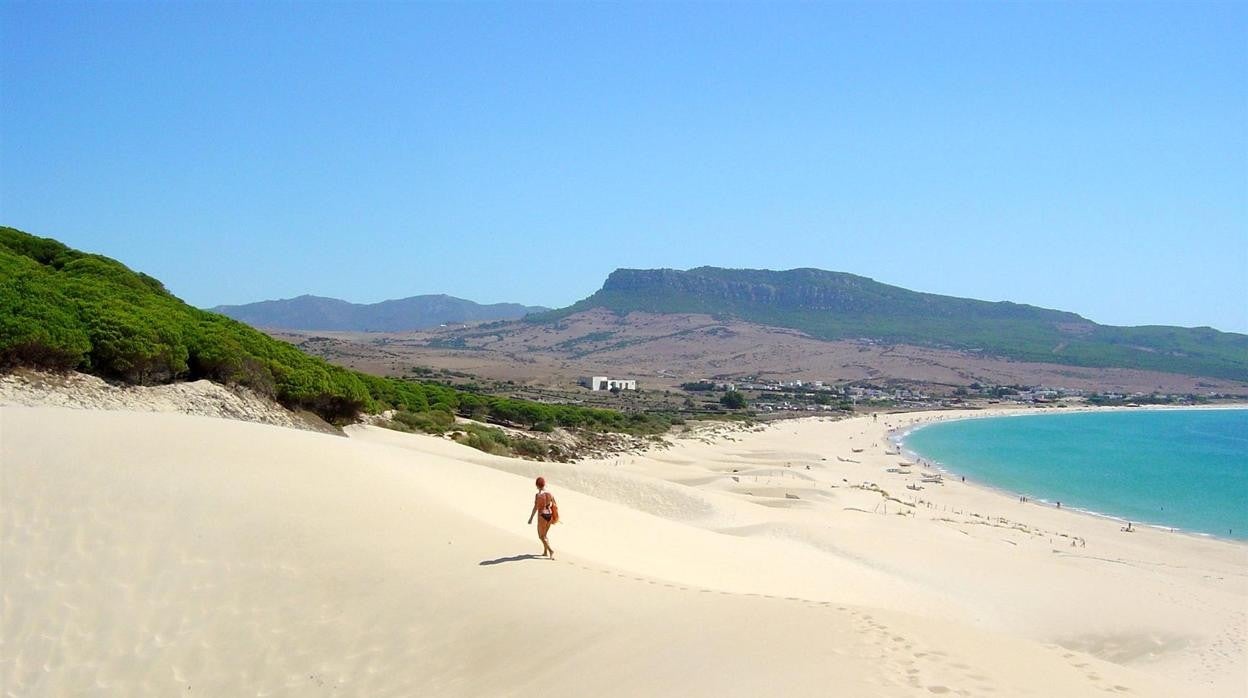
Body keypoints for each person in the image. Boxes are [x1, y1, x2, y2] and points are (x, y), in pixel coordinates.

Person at [527, 476, 557, 559]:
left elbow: (535, 507)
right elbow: (554, 505)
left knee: (541, 536)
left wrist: (531, 518)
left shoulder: (538, 495)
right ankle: (545, 551)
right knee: (545, 535)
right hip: (549, 515)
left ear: (537, 485)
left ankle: (550, 550)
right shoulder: (550, 493)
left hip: (542, 516)